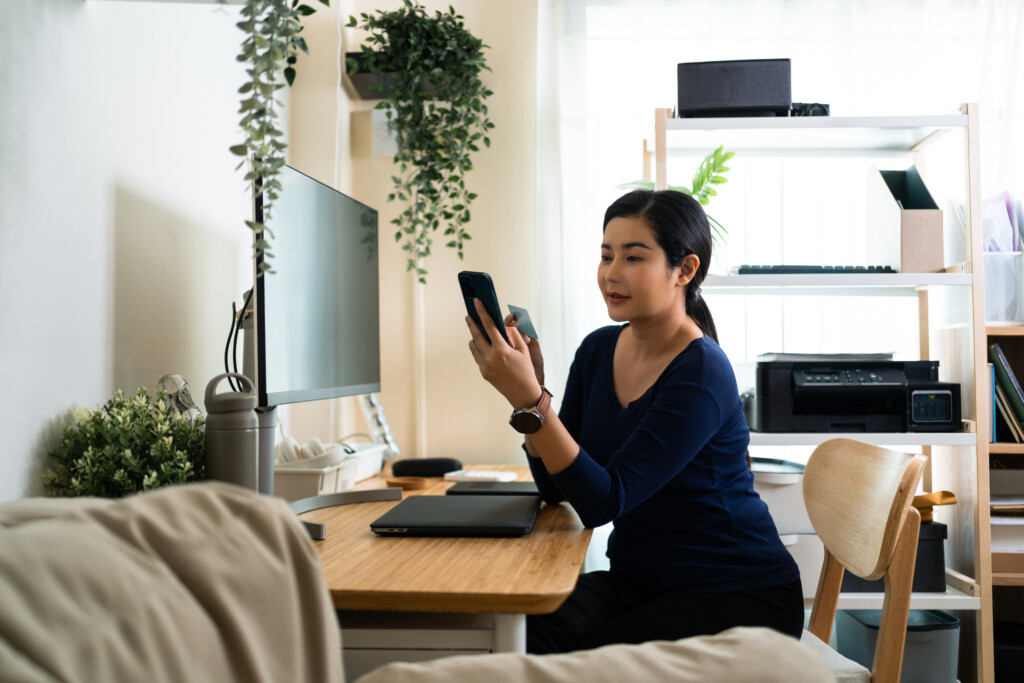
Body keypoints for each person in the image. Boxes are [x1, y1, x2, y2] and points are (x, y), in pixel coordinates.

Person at [464, 189, 803, 654]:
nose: (612, 274)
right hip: (641, 581)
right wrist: (533, 397)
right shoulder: (598, 350)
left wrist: (532, 402)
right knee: (513, 635)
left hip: (737, 593)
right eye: (606, 256)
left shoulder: (700, 370)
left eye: (633, 257)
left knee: (573, 660)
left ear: (685, 270)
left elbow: (604, 502)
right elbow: (557, 490)